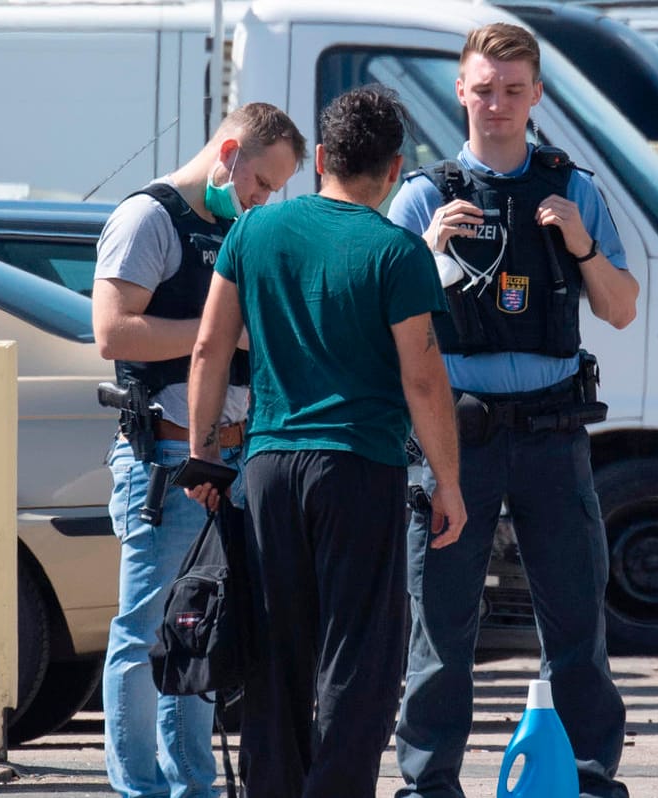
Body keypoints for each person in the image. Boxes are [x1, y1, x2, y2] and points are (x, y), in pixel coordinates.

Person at [185, 84, 466, 797]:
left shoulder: (253, 232)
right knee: (357, 659)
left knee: (275, 654)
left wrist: (201, 453)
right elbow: (424, 381)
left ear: (318, 159)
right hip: (358, 468)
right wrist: (449, 484)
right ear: (395, 169)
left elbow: (209, 348)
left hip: (268, 467)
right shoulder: (397, 252)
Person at [387, 22, 640, 798]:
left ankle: (590, 779)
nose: (496, 104)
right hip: (452, 438)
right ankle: (429, 784)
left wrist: (581, 245)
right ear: (459, 92)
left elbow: (622, 309)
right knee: (441, 627)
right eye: (483, 89)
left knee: (575, 622)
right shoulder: (424, 195)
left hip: (551, 430)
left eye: (511, 90)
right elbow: (385, 328)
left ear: (536, 96)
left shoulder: (575, 190)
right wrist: (425, 253)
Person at [92, 102, 303, 798]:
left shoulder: (234, 228)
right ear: (230, 151)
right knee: (143, 631)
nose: (263, 199)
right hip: (166, 457)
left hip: (230, 460)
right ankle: (141, 788)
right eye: (262, 182)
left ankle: (192, 786)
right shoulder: (148, 218)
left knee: (199, 628)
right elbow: (114, 333)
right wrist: (217, 334)